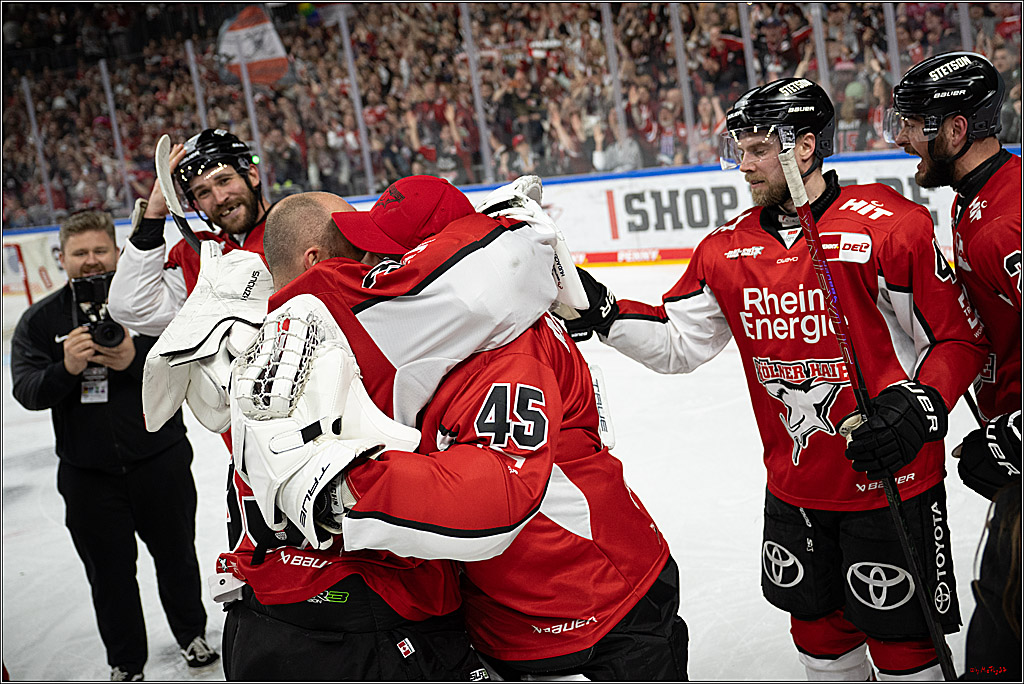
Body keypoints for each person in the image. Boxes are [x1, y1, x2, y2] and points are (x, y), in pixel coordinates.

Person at [560, 77, 989, 681]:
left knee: (905, 649)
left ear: (805, 146)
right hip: (795, 485)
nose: (744, 163)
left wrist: (918, 406)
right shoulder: (724, 249)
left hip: (890, 478)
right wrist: (603, 312)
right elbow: (679, 343)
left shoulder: (891, 225)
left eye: (759, 149)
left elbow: (956, 338)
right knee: (819, 641)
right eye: (739, 148)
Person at [244, 177, 688, 680]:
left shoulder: (507, 350)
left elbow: (495, 489)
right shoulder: (446, 338)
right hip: (510, 609)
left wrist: (347, 486)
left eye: (383, 254)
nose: (368, 269)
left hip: (595, 602)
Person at [206, 178, 562, 680]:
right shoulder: (371, 324)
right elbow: (502, 271)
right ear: (315, 261)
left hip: (261, 610)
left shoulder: (242, 340)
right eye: (357, 249)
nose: (374, 266)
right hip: (373, 615)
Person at [10, 211, 218, 682]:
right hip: (87, 474)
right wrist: (65, 368)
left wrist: (133, 357)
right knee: (108, 574)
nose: (91, 261)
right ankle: (125, 662)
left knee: (178, 557)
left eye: (100, 250)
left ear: (118, 253)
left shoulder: (147, 306)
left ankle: (192, 635)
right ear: (62, 258)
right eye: (79, 253)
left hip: (160, 460)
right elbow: (27, 391)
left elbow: (191, 362)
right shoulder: (41, 320)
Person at [887, 50, 1022, 681]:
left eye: (914, 123)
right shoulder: (979, 198)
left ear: (957, 129)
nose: (902, 138)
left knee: (1001, 629)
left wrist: (1017, 433)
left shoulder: (1005, 225)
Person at [108, 128, 270, 337]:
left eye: (224, 181)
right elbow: (131, 308)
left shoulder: (299, 226)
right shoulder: (200, 256)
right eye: (203, 192)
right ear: (196, 204)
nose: (220, 198)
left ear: (252, 175)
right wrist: (154, 214)